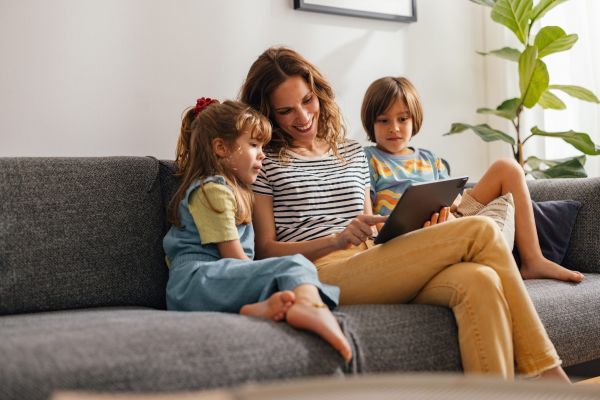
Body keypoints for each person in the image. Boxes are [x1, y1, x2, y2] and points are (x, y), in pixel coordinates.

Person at [239, 46, 570, 381]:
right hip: (321, 272)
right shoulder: (265, 161)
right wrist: (335, 240)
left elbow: (368, 223)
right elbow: (265, 250)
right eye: (285, 111)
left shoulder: (351, 152)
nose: (303, 116)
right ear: (268, 113)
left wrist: (403, 230)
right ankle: (549, 372)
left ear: (319, 94)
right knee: (480, 229)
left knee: (480, 281)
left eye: (308, 101)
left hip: (374, 258)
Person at [164, 97, 352, 362]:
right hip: (196, 282)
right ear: (220, 148)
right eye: (253, 145)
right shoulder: (212, 190)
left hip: (211, 284)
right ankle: (311, 306)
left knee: (286, 273)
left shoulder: (236, 191)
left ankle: (255, 309)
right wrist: (273, 272)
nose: (262, 153)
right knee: (293, 265)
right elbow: (234, 260)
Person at [360, 76, 584, 283]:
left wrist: (453, 203)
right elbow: (366, 214)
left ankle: (533, 259)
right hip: (406, 235)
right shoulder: (367, 159)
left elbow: (455, 201)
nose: (394, 128)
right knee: (454, 227)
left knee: (508, 167)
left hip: (448, 217)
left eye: (402, 119)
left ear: (414, 119)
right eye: (383, 121)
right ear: (371, 123)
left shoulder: (429, 158)